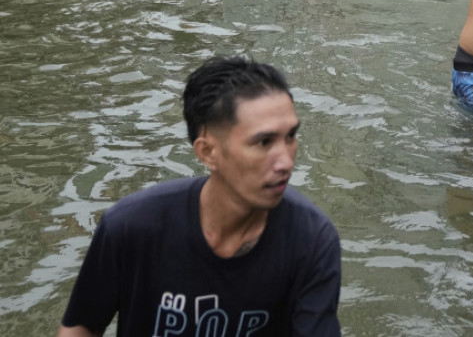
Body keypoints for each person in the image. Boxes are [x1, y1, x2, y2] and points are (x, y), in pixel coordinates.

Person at [57, 56, 342, 337]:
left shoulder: (311, 240)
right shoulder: (132, 226)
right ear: (207, 152)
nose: (285, 162)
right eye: (264, 142)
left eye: (290, 137)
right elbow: (81, 326)